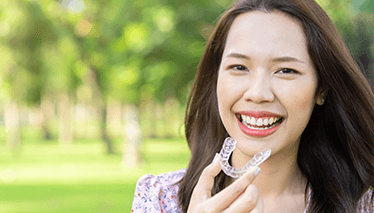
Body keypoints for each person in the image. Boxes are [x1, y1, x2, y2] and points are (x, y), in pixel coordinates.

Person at [131, 0, 374, 212]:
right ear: (216, 78)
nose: (258, 94)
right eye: (239, 67)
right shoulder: (160, 200)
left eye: (286, 70)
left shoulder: (362, 205)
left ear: (321, 89)